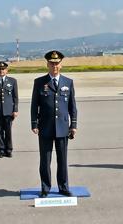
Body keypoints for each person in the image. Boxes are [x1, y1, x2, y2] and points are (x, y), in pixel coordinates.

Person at [31, 50, 77, 198]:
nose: (54, 66)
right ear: (47, 64)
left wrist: (74, 125)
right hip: (45, 127)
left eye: (57, 63)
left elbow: (72, 106)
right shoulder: (39, 82)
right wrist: (34, 123)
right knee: (45, 160)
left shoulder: (68, 82)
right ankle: (45, 188)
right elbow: (34, 105)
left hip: (63, 128)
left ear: (61, 65)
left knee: (62, 160)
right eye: (52, 63)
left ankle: (63, 187)